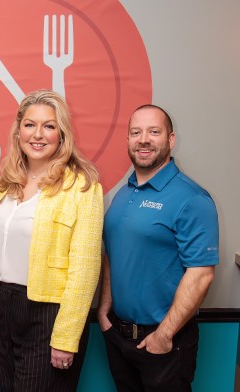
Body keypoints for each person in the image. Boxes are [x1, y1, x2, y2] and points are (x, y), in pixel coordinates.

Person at [0, 89, 104, 391]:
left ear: (62, 134)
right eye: (30, 124)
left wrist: (66, 337)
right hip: (7, 303)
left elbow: (85, 270)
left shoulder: (82, 187)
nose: (38, 134)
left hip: (51, 313)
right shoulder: (7, 183)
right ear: (18, 130)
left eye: (49, 126)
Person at [98, 104, 219, 392]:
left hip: (165, 343)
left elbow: (201, 274)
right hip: (119, 335)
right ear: (127, 139)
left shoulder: (192, 198)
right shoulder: (123, 194)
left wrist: (164, 335)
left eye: (154, 132)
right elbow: (113, 252)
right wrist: (103, 311)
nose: (143, 140)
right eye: (136, 132)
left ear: (170, 139)